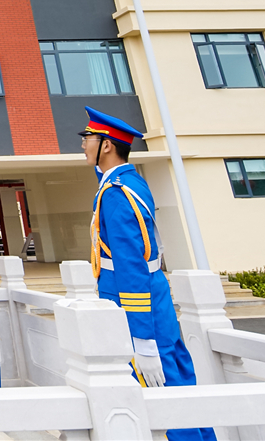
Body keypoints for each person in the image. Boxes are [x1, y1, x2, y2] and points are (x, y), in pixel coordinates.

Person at [81, 106, 216, 441]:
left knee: (162, 392)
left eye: (88, 138)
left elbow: (130, 265)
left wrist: (141, 339)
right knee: (177, 380)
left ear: (106, 145)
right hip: (154, 296)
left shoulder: (116, 193)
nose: (83, 144)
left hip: (135, 306)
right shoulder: (127, 181)